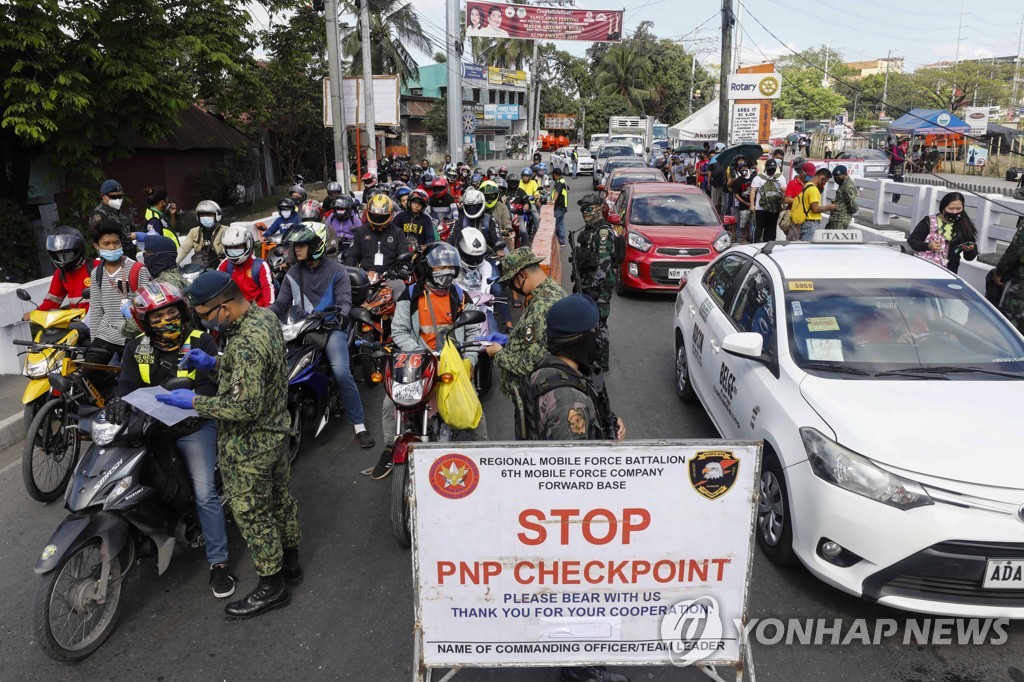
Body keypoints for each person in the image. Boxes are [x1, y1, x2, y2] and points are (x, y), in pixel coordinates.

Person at [159, 271, 301, 618]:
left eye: (206, 315)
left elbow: (244, 407)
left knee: (254, 515)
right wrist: (216, 363)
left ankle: (272, 586)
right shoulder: (263, 317)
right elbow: (253, 372)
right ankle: (292, 565)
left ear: (224, 306)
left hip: (249, 445)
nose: (205, 323)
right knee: (281, 500)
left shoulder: (245, 342)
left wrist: (193, 402)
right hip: (276, 431)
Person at [107, 282, 235, 599]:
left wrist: (193, 407)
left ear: (181, 312)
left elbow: (209, 386)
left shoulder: (199, 340)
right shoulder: (136, 347)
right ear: (145, 322)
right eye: (157, 316)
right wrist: (117, 402)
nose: (166, 320)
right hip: (149, 427)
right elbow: (125, 385)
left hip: (193, 426)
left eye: (171, 313)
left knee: (204, 493)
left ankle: (219, 564)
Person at [370, 243, 486, 479]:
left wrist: (470, 361)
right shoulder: (410, 295)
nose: (446, 272)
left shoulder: (461, 296)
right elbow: (400, 331)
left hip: (451, 363)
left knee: (474, 410)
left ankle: (484, 456)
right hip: (418, 363)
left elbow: (474, 334)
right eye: (440, 266)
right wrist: (419, 354)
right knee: (390, 404)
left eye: (450, 267)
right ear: (427, 268)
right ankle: (390, 448)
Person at [270, 223, 374, 448]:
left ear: (316, 245)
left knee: (341, 372)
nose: (296, 249)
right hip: (299, 328)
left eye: (301, 245)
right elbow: (281, 304)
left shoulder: (337, 271)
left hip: (329, 328)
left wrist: (340, 315)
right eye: (295, 245)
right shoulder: (293, 273)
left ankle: (359, 425)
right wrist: (261, 316)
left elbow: (345, 301)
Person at [485, 247, 566, 398]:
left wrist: (498, 353)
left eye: (511, 283)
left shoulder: (540, 307)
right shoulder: (552, 291)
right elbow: (541, 342)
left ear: (522, 276)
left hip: (534, 395)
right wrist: (512, 340)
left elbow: (529, 365)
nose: (512, 288)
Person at [87, 217, 151, 367]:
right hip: (106, 333)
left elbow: (147, 307)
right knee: (88, 374)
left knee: (131, 381)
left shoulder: (137, 269)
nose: (112, 248)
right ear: (96, 246)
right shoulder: (96, 273)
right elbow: (96, 310)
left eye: (116, 243)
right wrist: (94, 343)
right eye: (106, 244)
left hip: (133, 334)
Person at [574, 194, 616, 373]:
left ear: (599, 208)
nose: (585, 213)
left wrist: (595, 287)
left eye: (589, 209)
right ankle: (589, 357)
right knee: (587, 323)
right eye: (583, 209)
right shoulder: (588, 230)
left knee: (599, 323)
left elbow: (604, 263)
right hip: (586, 283)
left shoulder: (603, 232)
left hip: (599, 286)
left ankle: (601, 363)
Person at [121, 234, 189, 338]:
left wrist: (130, 315)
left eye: (147, 254)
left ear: (157, 257)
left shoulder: (159, 288)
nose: (145, 258)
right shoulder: (184, 280)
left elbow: (133, 328)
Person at [24, 229, 91, 320]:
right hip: (79, 323)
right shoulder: (60, 274)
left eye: (68, 254)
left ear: (77, 251)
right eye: (60, 255)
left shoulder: (95, 267)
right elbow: (52, 301)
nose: (64, 259)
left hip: (102, 323)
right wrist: (35, 313)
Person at [907, 191, 978, 274]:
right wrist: (928, 246)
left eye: (959, 209)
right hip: (924, 270)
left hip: (949, 272)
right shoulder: (929, 222)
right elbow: (911, 242)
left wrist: (969, 250)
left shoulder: (965, 227)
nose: (955, 212)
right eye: (951, 209)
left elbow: (969, 258)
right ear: (943, 209)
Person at [345, 194, 407, 276]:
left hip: (390, 276)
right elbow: (352, 254)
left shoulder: (397, 232)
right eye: (374, 216)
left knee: (402, 287)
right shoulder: (361, 231)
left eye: (382, 217)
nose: (377, 219)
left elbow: (403, 253)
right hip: (364, 276)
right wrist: (349, 271)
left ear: (390, 214)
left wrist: (403, 268)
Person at [216, 225, 276, 307]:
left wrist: (269, 312)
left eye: (237, 247)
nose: (233, 251)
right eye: (229, 248)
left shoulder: (260, 265)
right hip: (237, 311)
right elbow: (214, 285)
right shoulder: (225, 264)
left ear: (248, 244)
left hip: (259, 312)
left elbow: (268, 289)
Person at [88, 179, 136, 258]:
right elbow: (103, 237)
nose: (117, 199)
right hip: (112, 257)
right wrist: (130, 236)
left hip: (129, 256)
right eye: (113, 197)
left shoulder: (121, 213)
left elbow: (132, 229)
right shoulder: (98, 214)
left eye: (120, 196)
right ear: (103, 196)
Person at [176, 200, 226, 267]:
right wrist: (173, 263)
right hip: (201, 268)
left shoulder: (226, 231)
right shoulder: (194, 232)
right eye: (202, 215)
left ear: (217, 215)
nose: (205, 217)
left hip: (220, 268)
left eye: (209, 214)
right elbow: (184, 249)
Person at [790, 168, 836, 241]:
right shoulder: (813, 190)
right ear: (822, 178)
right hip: (811, 224)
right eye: (825, 181)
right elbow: (815, 208)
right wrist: (829, 207)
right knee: (807, 249)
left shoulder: (807, 185)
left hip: (805, 223)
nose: (825, 184)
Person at [749, 159, 784, 243]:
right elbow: (753, 191)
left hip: (774, 208)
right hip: (760, 209)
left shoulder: (781, 178)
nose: (772, 170)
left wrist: (782, 204)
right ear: (766, 168)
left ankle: (768, 246)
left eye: (773, 168)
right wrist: (752, 205)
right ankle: (754, 245)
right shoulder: (758, 178)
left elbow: (784, 192)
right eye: (770, 168)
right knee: (759, 228)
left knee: (771, 229)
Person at [481, 179, 513, 249]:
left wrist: (508, 229)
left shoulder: (502, 207)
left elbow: (506, 220)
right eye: (486, 196)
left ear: (497, 195)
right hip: (480, 242)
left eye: (492, 196)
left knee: (508, 256)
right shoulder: (478, 207)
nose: (489, 199)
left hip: (499, 240)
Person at [826, 165, 858, 231]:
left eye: (839, 177)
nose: (837, 180)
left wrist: (840, 208)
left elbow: (852, 205)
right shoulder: (843, 184)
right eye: (835, 178)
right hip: (835, 217)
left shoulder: (848, 187)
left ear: (845, 174)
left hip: (840, 219)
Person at [550, 167, 570, 246]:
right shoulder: (563, 181)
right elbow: (568, 189)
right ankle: (562, 240)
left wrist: (553, 201)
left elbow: (557, 192)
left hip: (559, 206)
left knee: (557, 223)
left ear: (554, 175)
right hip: (563, 206)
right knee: (561, 223)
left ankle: (560, 240)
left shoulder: (559, 182)